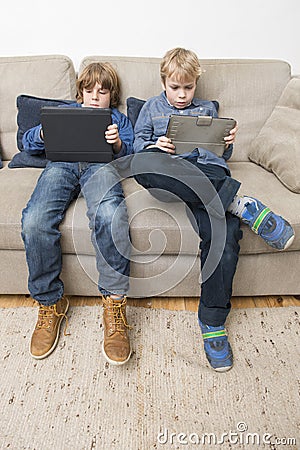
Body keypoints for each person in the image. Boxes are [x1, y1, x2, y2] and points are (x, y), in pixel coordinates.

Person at [131, 47, 295, 372]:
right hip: (170, 172)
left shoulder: (207, 109)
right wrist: (154, 146)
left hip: (208, 172)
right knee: (141, 165)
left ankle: (212, 321)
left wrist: (228, 142)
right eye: (175, 87)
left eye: (188, 87)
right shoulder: (150, 108)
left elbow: (222, 154)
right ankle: (238, 203)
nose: (181, 95)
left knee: (224, 233)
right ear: (163, 82)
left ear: (196, 84)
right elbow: (136, 145)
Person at [21, 62, 134, 365]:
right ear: (80, 92)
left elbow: (131, 155)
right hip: (61, 166)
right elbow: (28, 143)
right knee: (34, 222)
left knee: (110, 216)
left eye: (103, 91)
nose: (95, 96)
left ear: (112, 95)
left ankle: (114, 304)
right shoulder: (64, 112)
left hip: (101, 166)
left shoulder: (118, 119)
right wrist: (45, 133)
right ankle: (51, 303)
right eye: (89, 90)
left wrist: (118, 143)